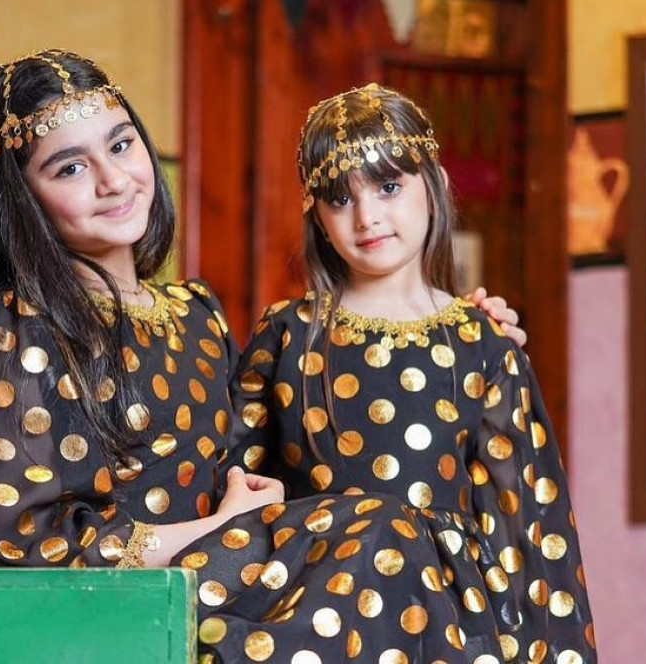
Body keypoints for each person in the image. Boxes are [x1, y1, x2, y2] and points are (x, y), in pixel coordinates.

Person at [0, 48, 527, 635]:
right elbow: (16, 549)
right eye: (70, 167)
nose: (114, 180)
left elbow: (270, 461)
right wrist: (217, 530)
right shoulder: (14, 326)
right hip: (112, 622)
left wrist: (442, 331)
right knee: (382, 534)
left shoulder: (195, 315)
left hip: (227, 592)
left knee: (394, 537)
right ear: (21, 199)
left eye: (121, 145)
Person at [176, 84, 596, 663]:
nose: (367, 216)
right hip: (316, 610)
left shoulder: (482, 343)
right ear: (317, 217)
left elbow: (524, 530)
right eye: (339, 199)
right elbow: (229, 488)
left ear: (436, 186)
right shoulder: (288, 334)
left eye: (389, 187)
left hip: (443, 619)